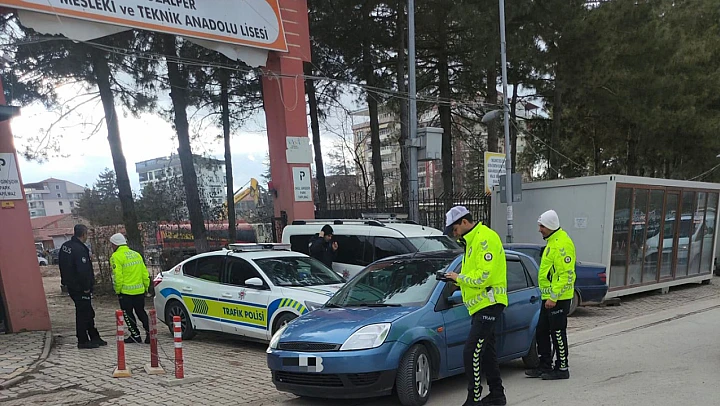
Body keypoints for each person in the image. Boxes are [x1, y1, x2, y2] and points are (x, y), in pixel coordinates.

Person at [443, 206, 508, 406]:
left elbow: (483, 276)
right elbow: (474, 274)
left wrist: (459, 278)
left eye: (454, 229)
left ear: (464, 222)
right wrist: (456, 281)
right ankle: (497, 394)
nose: (454, 234)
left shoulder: (485, 238)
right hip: (481, 305)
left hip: (489, 303)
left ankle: (474, 398)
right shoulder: (471, 241)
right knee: (487, 351)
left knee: (471, 352)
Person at [525, 209, 576, 380]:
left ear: (551, 226)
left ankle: (562, 368)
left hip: (558, 299)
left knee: (558, 333)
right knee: (541, 330)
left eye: (542, 226)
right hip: (548, 298)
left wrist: (554, 297)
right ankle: (544, 364)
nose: (539, 230)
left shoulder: (562, 244)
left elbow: (566, 275)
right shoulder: (552, 241)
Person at [59, 225, 106, 349]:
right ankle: (83, 340)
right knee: (83, 313)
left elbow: (62, 265)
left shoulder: (66, 246)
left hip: (71, 285)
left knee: (88, 311)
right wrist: (86, 286)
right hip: (80, 287)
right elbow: (83, 270)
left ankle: (94, 336)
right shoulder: (79, 249)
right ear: (84, 234)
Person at [110, 233, 151, 344]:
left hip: (125, 292)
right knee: (141, 312)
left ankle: (135, 335)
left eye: (112, 244)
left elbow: (117, 276)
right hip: (139, 290)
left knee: (128, 314)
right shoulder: (136, 254)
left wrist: (117, 290)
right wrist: (146, 287)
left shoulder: (116, 257)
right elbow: (144, 273)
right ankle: (150, 334)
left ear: (115, 244)